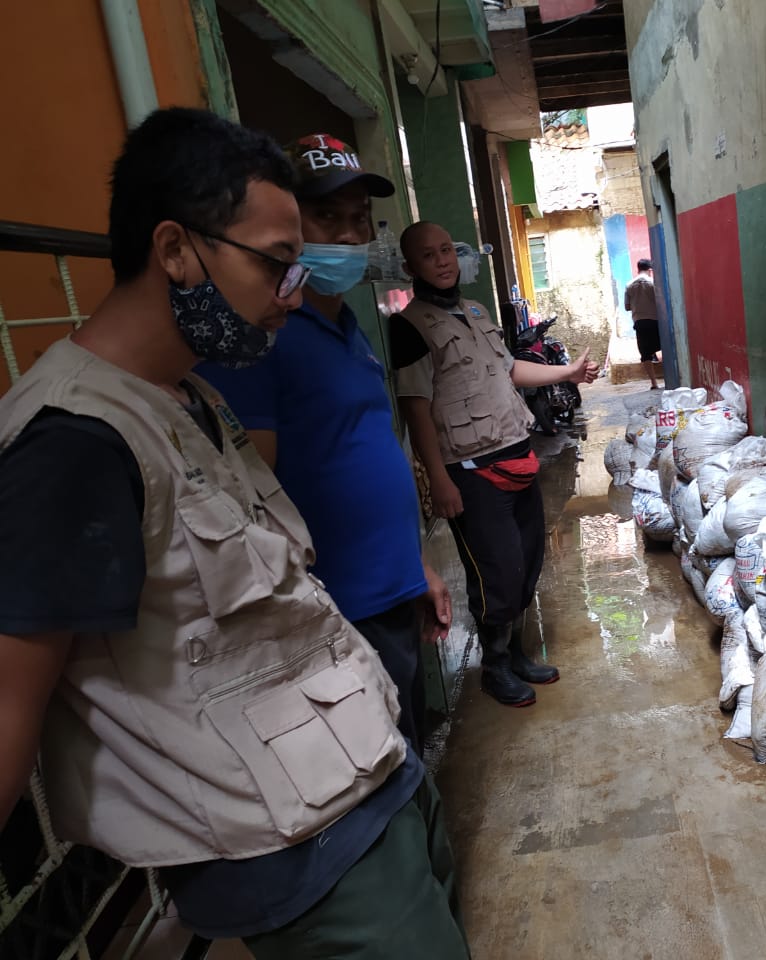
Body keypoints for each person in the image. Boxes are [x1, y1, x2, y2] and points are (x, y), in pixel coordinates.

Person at [0, 109, 469, 958]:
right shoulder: (73, 443)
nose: (295, 290)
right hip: (290, 846)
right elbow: (9, 703)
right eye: (277, 264)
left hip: (365, 772)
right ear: (176, 251)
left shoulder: (192, 400)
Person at [198, 133, 451, 759]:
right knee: (378, 778)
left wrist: (412, 566)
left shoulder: (348, 325)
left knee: (412, 760)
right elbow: (252, 496)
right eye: (327, 219)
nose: (346, 236)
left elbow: (357, 451)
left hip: (390, 592)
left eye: (358, 221)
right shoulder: (264, 338)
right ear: (289, 228)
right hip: (338, 617)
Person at [389, 221, 599, 708]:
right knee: (496, 571)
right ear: (410, 267)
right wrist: (437, 478)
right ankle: (495, 666)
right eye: (429, 255)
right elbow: (416, 407)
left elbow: (510, 369)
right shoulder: (409, 326)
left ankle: (517, 653)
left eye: (447, 250)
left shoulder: (477, 311)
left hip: (515, 451)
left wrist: (566, 371)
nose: (442, 261)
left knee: (526, 562)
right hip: (468, 468)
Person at [624, 257, 661, 389]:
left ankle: (653, 382)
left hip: (639, 322)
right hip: (655, 320)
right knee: (663, 347)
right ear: (650, 270)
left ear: (638, 269)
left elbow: (627, 307)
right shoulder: (653, 283)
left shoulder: (629, 285)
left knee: (645, 353)